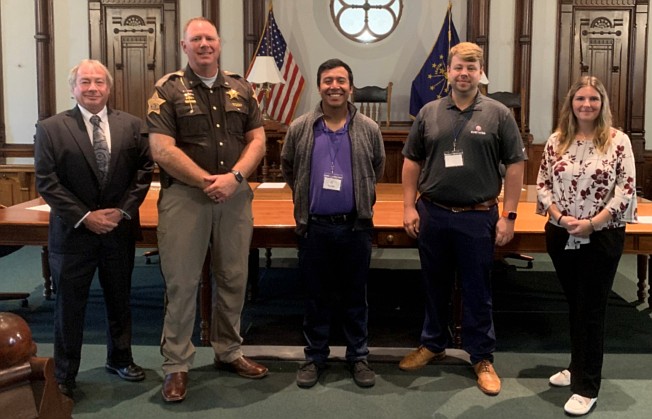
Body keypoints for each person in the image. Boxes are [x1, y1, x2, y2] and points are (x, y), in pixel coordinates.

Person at [147, 17, 268, 403]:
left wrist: (234, 177)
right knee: (182, 283)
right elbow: (162, 149)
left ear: (219, 43)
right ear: (184, 46)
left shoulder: (242, 87)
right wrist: (206, 181)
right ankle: (177, 365)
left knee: (233, 276)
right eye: (196, 39)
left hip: (234, 196)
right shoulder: (167, 90)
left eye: (210, 38)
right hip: (186, 197)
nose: (204, 44)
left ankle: (228, 350)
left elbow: (258, 140)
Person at [399, 42, 525, 396]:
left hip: (478, 216)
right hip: (434, 214)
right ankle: (433, 344)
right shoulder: (429, 112)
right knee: (433, 284)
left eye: (471, 68)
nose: (464, 74)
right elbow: (411, 161)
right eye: (458, 67)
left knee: (477, 290)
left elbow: (516, 165)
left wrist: (510, 216)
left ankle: (482, 357)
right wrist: (409, 207)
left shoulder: (499, 114)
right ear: (449, 71)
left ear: (480, 72)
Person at [34, 59, 153, 399]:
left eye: (99, 82)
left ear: (108, 87)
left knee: (120, 300)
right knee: (70, 306)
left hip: (118, 231)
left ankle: (120, 358)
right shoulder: (51, 128)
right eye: (85, 82)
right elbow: (47, 181)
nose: (92, 88)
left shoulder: (131, 125)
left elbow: (143, 172)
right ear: (73, 88)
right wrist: (86, 217)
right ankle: (65, 374)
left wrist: (121, 212)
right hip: (73, 235)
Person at [281, 58, 385, 388]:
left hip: (355, 226)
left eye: (341, 80)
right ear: (319, 86)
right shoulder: (301, 127)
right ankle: (315, 357)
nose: (334, 86)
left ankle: (358, 357)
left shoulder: (369, 128)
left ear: (350, 87)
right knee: (316, 296)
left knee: (356, 296)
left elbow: (377, 168)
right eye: (328, 80)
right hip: (315, 228)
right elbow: (288, 168)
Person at [536, 76, 637, 416]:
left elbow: (626, 189)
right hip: (561, 232)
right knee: (575, 304)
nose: (587, 105)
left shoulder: (618, 141)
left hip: (601, 236)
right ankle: (577, 366)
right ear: (571, 103)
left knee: (591, 309)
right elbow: (543, 184)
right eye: (581, 98)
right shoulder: (556, 140)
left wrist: (592, 223)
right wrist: (561, 218)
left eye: (594, 99)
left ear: (602, 104)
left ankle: (587, 386)